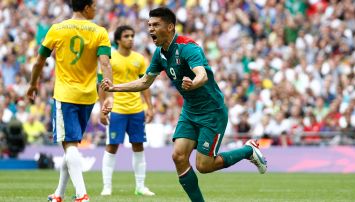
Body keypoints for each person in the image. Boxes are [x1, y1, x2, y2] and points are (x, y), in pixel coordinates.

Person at [101, 7, 267, 202]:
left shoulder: (188, 47)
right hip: (190, 110)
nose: (151, 29)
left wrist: (194, 82)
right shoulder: (159, 54)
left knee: (204, 166)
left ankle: (249, 150)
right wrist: (114, 88)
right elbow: (145, 82)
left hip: (211, 111)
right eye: (149, 25)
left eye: (156, 25)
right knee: (178, 157)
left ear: (170, 27)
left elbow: (202, 74)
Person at [26, 1, 113, 202]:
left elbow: (40, 61)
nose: (97, 9)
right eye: (94, 5)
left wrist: (32, 84)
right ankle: (59, 194)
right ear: (86, 7)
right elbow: (105, 64)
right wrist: (108, 96)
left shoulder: (57, 29)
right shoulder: (99, 31)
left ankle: (82, 195)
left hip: (65, 95)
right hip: (88, 96)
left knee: (70, 145)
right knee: (70, 145)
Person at [100, 25, 155, 196]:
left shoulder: (139, 59)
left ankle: (140, 186)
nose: (130, 39)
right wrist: (103, 108)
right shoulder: (110, 58)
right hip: (116, 109)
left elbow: (145, 84)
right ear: (118, 40)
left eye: (132, 35)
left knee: (138, 145)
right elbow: (102, 85)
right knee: (112, 146)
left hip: (136, 109)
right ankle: (107, 186)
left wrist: (149, 106)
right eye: (126, 36)